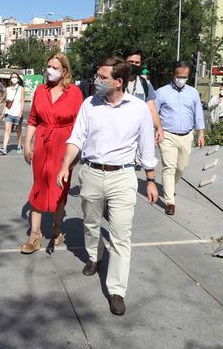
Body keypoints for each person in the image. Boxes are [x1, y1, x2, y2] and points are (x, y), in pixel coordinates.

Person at [56, 56, 159, 316]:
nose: (97, 81)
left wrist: (150, 180)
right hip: (91, 173)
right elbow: (76, 137)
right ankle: (94, 255)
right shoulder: (90, 104)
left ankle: (117, 290)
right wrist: (65, 164)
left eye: (103, 77)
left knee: (121, 235)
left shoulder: (138, 109)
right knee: (90, 224)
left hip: (123, 177)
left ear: (119, 82)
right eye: (97, 76)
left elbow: (147, 147)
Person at [21, 52, 83, 253]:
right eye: (48, 66)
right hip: (42, 143)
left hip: (64, 146)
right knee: (39, 186)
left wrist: (74, 154)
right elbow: (33, 120)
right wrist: (27, 144)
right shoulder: (40, 90)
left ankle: (57, 228)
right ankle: (35, 234)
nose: (50, 70)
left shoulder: (74, 92)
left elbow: (79, 126)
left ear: (64, 70)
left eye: (55, 67)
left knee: (60, 187)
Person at [155, 61, 205, 215]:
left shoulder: (193, 93)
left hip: (186, 135)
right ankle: (170, 201)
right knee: (169, 168)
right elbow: (154, 113)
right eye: (179, 76)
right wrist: (156, 131)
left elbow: (198, 113)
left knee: (181, 168)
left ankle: (169, 186)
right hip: (167, 135)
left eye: (185, 77)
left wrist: (201, 133)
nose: (181, 79)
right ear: (173, 74)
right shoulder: (161, 92)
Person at [122, 49, 164, 143]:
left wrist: (159, 127)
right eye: (131, 62)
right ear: (124, 62)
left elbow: (152, 109)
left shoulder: (145, 84)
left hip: (139, 134)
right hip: (120, 132)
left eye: (137, 62)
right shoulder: (116, 82)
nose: (134, 64)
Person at [0, 72, 25, 155]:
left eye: (15, 77)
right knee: (7, 131)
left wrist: (21, 111)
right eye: (12, 77)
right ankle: (4, 148)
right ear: (10, 79)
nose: (14, 78)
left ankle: (19, 145)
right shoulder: (7, 89)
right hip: (9, 113)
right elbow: (7, 103)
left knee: (18, 131)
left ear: (18, 79)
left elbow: (22, 101)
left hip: (17, 113)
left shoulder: (21, 88)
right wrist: (3, 113)